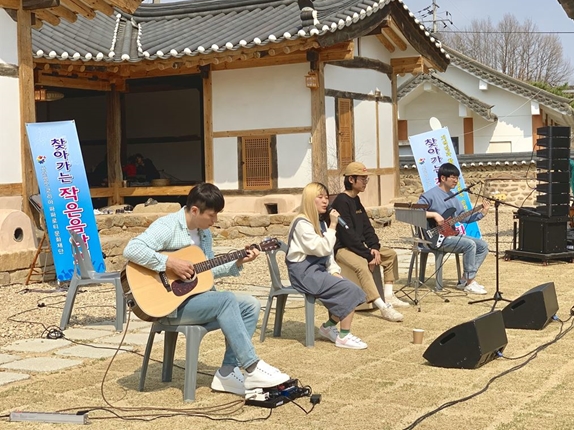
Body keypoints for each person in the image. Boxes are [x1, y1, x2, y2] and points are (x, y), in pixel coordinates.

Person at [123, 183, 290, 396]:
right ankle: (251, 366)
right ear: (195, 210)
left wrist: (238, 262)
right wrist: (170, 263)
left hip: (194, 300)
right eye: (211, 215)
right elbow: (132, 249)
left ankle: (228, 372)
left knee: (250, 304)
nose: (215, 221)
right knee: (226, 299)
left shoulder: (204, 234)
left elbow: (206, 270)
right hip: (167, 307)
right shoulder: (167, 226)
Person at [286, 182, 368, 350]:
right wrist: (333, 225)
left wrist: (334, 270)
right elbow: (321, 247)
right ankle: (344, 336)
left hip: (318, 271)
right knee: (349, 290)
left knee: (350, 287)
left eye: (326, 197)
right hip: (304, 274)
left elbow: (328, 253)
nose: (325, 201)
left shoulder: (319, 222)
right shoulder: (302, 223)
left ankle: (328, 326)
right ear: (309, 200)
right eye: (320, 197)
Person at [331, 162, 409, 322]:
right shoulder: (341, 201)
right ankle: (383, 307)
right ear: (351, 179)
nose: (366, 182)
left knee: (390, 255)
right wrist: (368, 255)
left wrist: (374, 248)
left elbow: (367, 228)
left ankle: (388, 296)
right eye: (363, 178)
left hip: (360, 247)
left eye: (367, 179)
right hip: (343, 248)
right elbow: (347, 235)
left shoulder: (356, 200)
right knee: (362, 266)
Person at [417, 163, 490, 295]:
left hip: (450, 235)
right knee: (470, 245)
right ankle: (470, 282)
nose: (456, 181)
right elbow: (416, 213)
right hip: (434, 238)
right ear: (443, 178)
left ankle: (464, 280)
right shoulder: (429, 195)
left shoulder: (455, 197)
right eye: (453, 177)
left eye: (457, 178)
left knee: (483, 246)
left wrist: (482, 213)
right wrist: (434, 214)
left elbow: (464, 218)